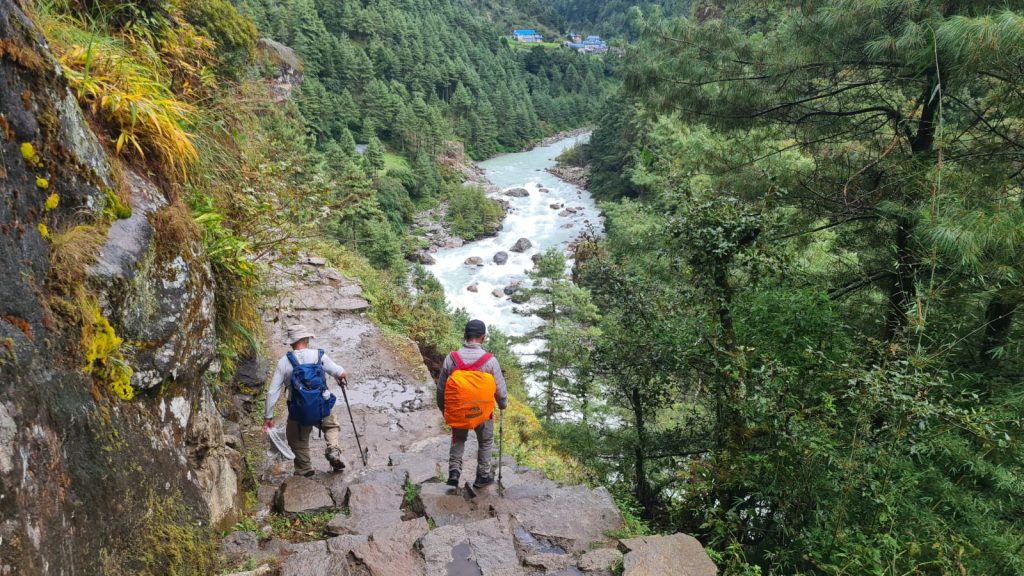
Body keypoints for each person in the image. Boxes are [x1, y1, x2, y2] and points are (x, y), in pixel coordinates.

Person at [263, 324, 348, 477]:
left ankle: (304, 468)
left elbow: (272, 391)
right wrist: (340, 378)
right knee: (331, 426)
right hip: (322, 404)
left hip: (299, 410)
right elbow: (340, 372)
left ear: (291, 342)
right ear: (306, 338)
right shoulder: (319, 355)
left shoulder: (284, 362)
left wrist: (268, 417)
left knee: (296, 439)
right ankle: (333, 450)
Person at [437, 319, 508, 488]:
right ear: (482, 338)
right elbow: (500, 390)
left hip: (459, 409)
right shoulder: (490, 361)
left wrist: (445, 409)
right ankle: (483, 475)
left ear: (465, 336)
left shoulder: (451, 359)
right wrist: (502, 404)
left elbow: (441, 389)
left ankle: (454, 472)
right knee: (485, 441)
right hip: (482, 412)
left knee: (458, 439)